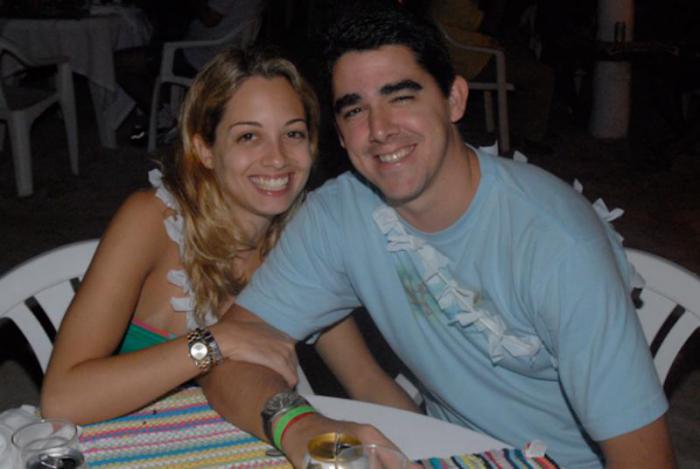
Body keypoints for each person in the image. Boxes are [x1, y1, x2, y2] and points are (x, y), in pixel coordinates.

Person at [200, 6, 675, 468]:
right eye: (355, 110)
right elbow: (229, 357)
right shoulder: (338, 215)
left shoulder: (557, 245)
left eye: (401, 97)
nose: (380, 130)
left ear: (454, 100)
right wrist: (300, 428)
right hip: (448, 453)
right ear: (341, 135)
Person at [40, 47, 418, 425]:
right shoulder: (152, 221)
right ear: (205, 149)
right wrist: (217, 341)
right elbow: (61, 399)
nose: (277, 158)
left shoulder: (303, 241)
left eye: (293, 133)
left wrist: (433, 446)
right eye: (249, 136)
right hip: (127, 442)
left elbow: (365, 380)